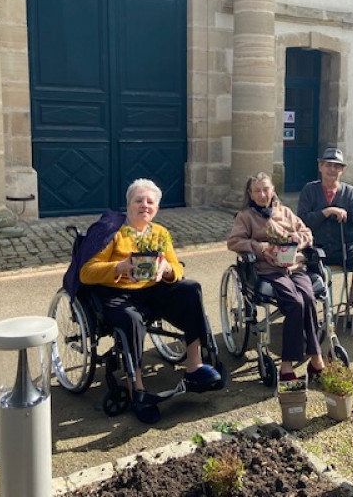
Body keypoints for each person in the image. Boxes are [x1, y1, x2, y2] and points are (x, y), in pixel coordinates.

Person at [76, 178, 221, 423]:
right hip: (117, 292)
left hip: (152, 291)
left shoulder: (160, 233)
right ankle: (137, 389)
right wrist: (120, 266)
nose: (145, 205)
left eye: (150, 202)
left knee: (191, 288)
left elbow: (177, 267)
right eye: (139, 200)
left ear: (157, 208)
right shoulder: (113, 232)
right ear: (129, 204)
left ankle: (194, 366)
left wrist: (167, 270)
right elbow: (86, 272)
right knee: (131, 319)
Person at [227, 172, 325, 382]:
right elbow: (234, 242)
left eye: (266, 189)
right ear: (250, 194)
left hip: (295, 266)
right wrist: (259, 247)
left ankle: (316, 359)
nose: (262, 194)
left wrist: (298, 238)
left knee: (308, 298)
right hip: (267, 269)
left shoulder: (285, 212)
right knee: (296, 302)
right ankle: (288, 365)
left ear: (273, 191)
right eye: (257, 191)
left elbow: (307, 232)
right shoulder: (245, 216)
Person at [297, 148, 353, 335]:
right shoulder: (310, 190)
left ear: (343, 170)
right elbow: (302, 220)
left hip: (346, 247)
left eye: (336, 166)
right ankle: (312, 317)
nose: (332, 170)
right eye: (328, 165)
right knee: (307, 276)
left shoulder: (350, 192)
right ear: (320, 167)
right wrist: (327, 211)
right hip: (316, 248)